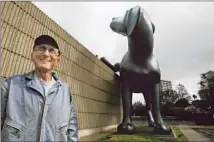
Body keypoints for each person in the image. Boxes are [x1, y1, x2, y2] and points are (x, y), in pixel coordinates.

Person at [1, 35, 79, 141]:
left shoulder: (65, 91)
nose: (46, 53)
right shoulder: (10, 85)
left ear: (57, 60)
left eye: (52, 50)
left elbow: (72, 131)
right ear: (32, 55)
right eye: (41, 48)